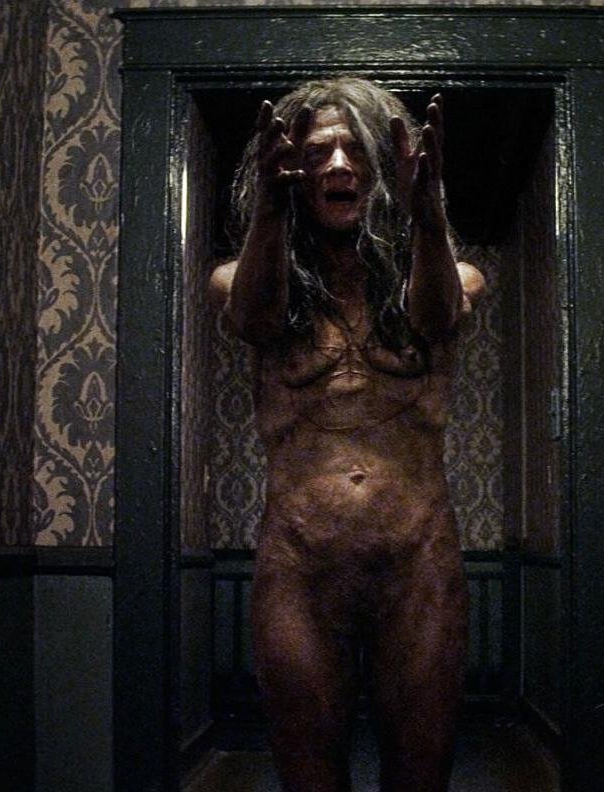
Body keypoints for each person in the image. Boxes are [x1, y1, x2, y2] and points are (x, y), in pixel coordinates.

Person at [208, 77, 484, 792]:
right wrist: (269, 209)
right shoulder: (240, 280)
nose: (337, 165)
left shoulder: (454, 276)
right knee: (309, 777)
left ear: (386, 169)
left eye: (355, 149)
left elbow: (437, 317)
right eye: (317, 152)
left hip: (417, 563)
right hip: (299, 569)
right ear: (292, 173)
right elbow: (255, 320)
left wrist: (428, 214)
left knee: (420, 776)